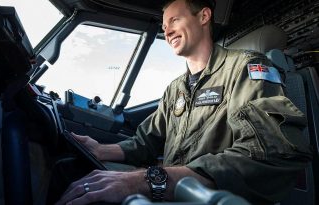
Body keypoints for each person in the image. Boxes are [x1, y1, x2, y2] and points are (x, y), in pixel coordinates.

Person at [55, 0, 312, 204]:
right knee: (69, 170)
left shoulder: (245, 69)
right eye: (164, 25)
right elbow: (145, 142)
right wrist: (100, 149)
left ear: (203, 16)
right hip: (171, 189)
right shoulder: (175, 88)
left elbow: (271, 155)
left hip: (209, 197)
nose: (166, 30)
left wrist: (147, 181)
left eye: (174, 20)